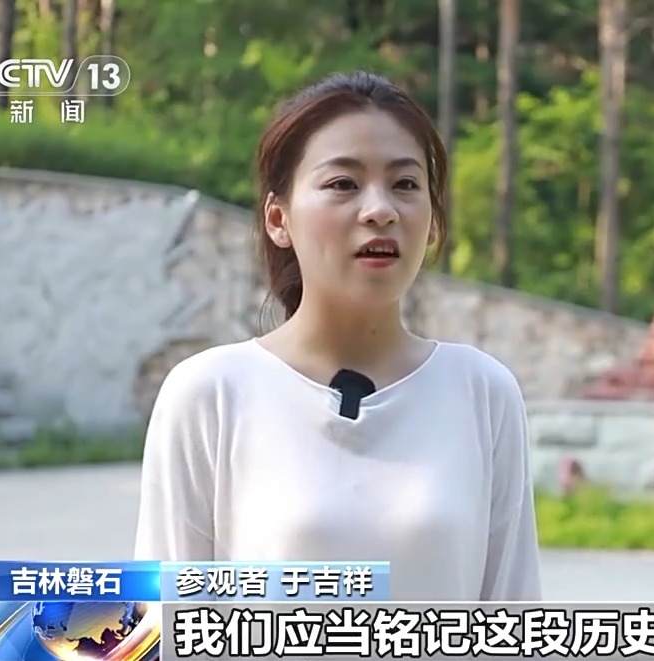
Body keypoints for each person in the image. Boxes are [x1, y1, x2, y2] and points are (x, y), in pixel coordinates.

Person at [133, 70, 542, 602]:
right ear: (278, 219)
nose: (381, 210)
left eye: (406, 184)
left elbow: (514, 617)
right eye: (343, 184)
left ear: (433, 220)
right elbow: (164, 622)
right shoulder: (210, 393)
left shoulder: (483, 391)